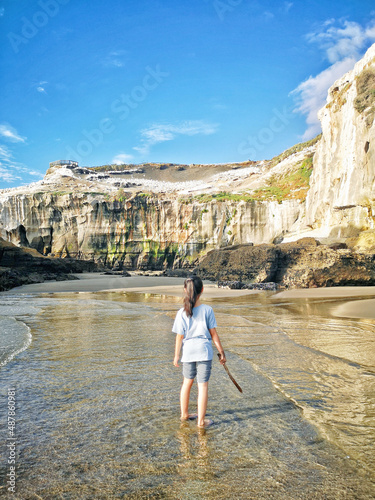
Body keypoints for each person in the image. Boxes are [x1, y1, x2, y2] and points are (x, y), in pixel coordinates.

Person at [172, 276, 226, 428]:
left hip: (188, 352)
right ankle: (201, 422)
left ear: (185, 290)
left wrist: (177, 356)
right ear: (202, 290)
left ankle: (184, 414)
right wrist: (221, 352)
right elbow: (213, 334)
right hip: (203, 351)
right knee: (202, 386)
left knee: (186, 383)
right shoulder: (207, 310)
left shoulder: (181, 312)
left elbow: (179, 337)